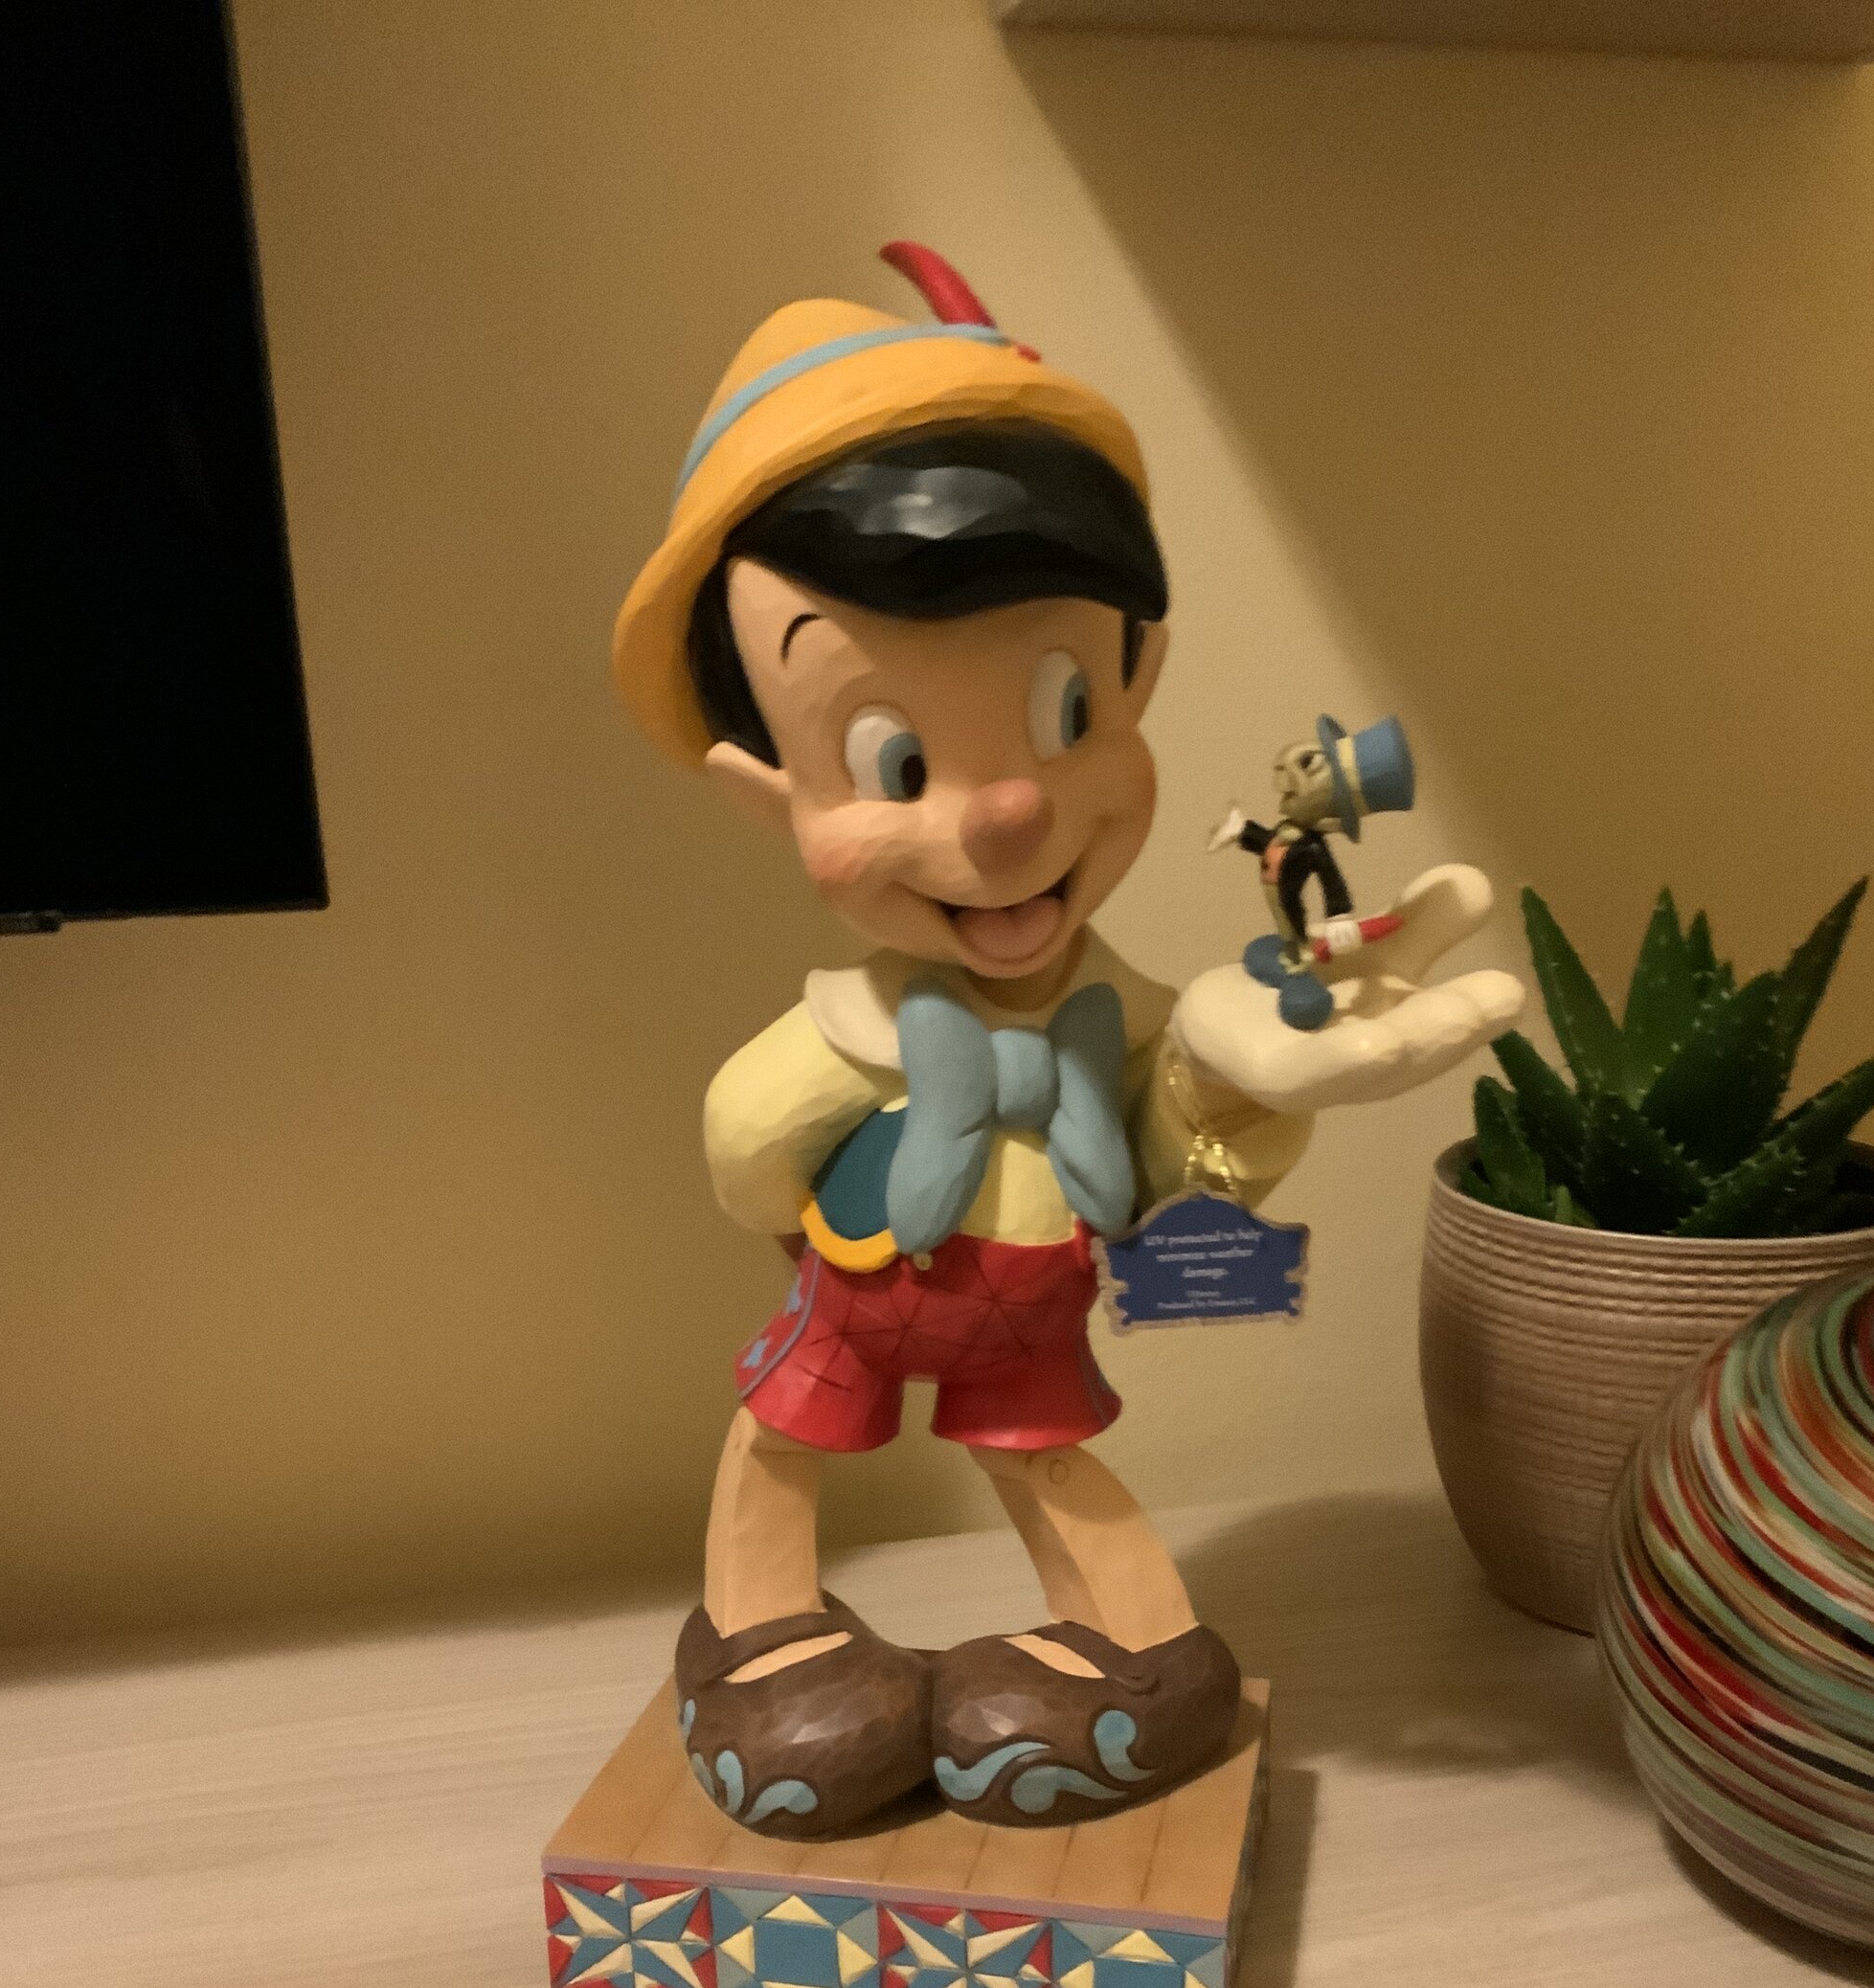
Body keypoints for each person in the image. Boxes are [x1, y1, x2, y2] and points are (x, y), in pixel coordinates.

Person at [612, 244, 1523, 1837]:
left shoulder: (1130, 1018)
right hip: (861, 1278)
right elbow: (748, 1152)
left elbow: (1176, 1168)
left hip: (1028, 1302)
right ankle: (760, 1636)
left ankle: (1138, 1651)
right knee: (779, 1439)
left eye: (1064, 716)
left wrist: (1239, 1073)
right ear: (768, 788)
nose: (1009, 812)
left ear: (1134, 677)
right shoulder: (843, 1032)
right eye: (894, 762)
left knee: (1039, 1456)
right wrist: (798, 1199)